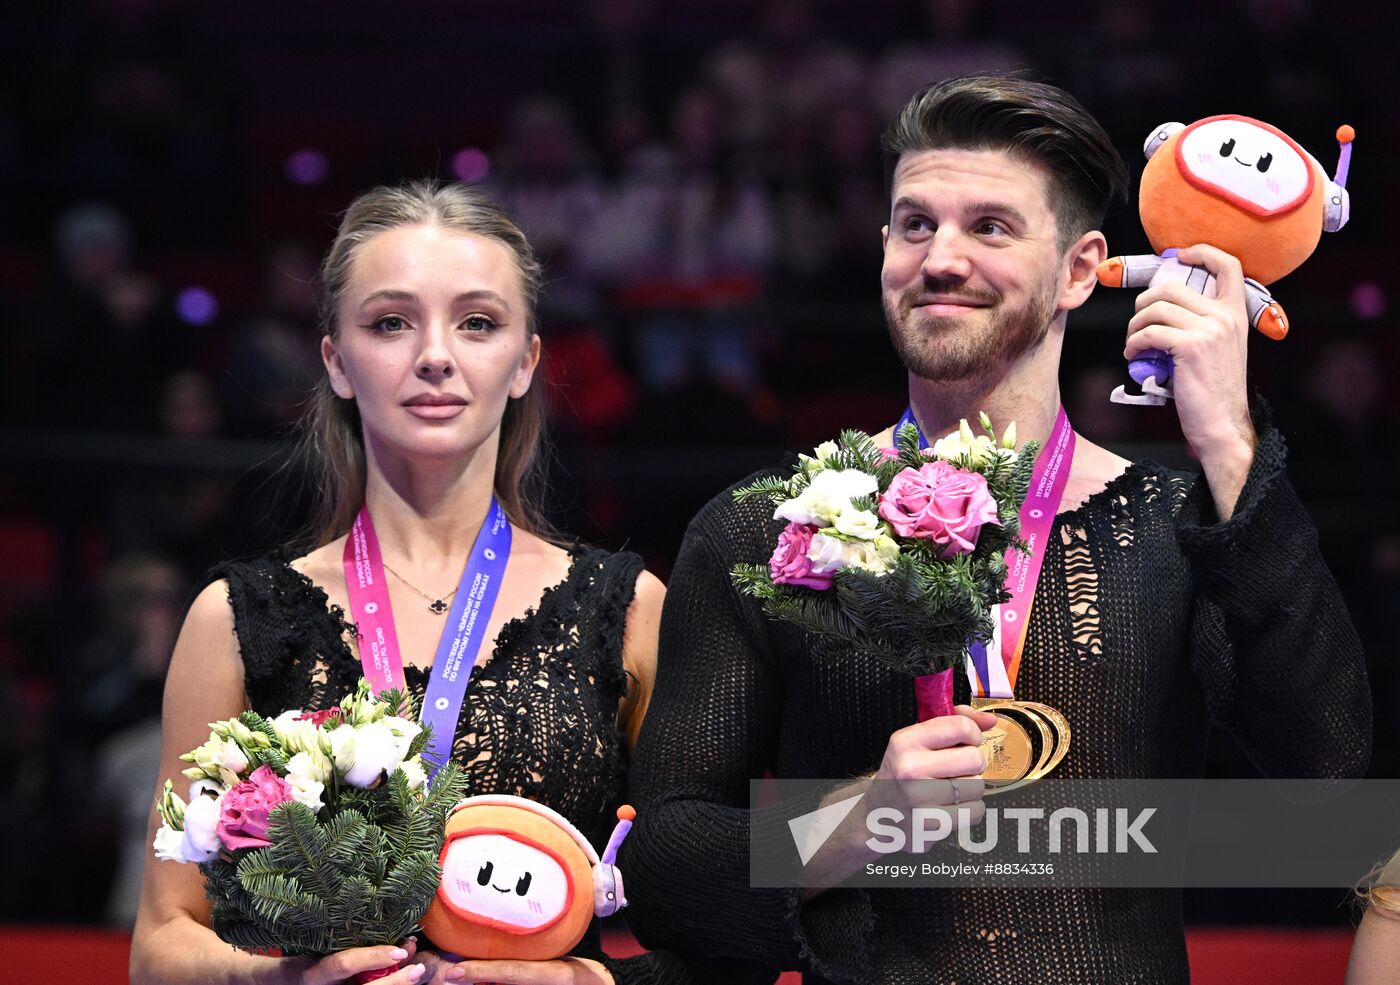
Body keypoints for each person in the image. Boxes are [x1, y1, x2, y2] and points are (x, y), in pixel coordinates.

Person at [623, 76, 1372, 983]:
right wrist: (855, 822)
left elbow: (1326, 776)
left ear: (1079, 270)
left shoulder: (1175, 524)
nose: (940, 259)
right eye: (914, 224)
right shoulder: (764, 524)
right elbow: (665, 865)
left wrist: (1226, 439)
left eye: (990, 227)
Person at [130, 181, 752, 985]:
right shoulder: (237, 617)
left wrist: (588, 981)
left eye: (478, 323)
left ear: (527, 360)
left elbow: (726, 921)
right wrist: (278, 980)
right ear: (338, 362)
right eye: (390, 322)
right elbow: (158, 944)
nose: (434, 354)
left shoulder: (631, 611)